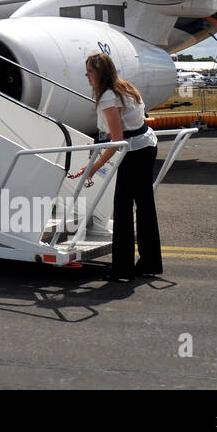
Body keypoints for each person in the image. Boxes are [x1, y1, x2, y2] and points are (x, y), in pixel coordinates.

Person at [68, 52, 163, 282]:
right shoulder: (126, 88)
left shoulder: (109, 97)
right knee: (144, 206)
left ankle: (122, 269)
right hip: (146, 145)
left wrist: (95, 165)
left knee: (122, 208)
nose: (86, 75)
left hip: (133, 151)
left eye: (90, 71)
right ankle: (150, 262)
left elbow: (118, 138)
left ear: (99, 73)